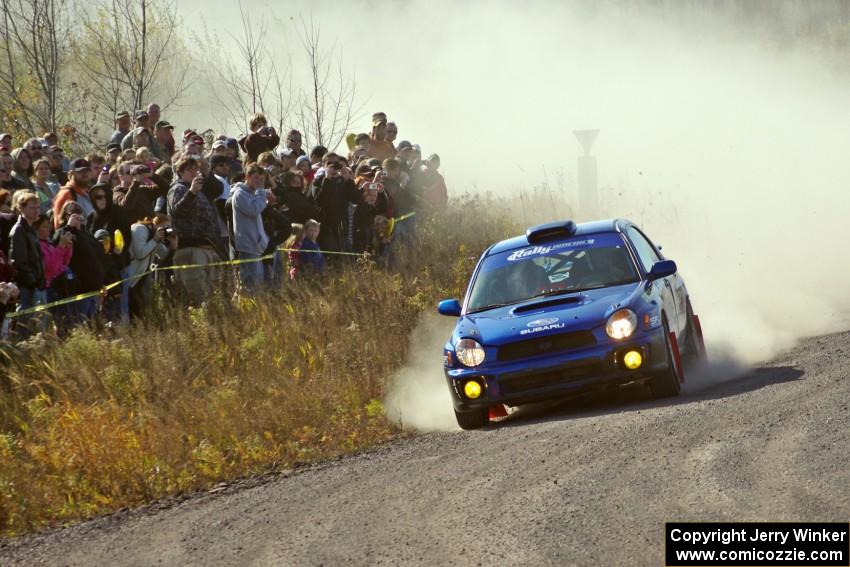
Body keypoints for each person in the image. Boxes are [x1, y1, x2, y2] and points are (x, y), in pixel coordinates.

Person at [167, 156, 225, 303]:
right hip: (190, 249)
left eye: (195, 169)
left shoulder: (199, 190)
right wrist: (191, 192)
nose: (194, 172)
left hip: (207, 247)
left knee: (213, 295)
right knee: (198, 297)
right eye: (189, 169)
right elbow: (176, 211)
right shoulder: (177, 189)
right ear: (180, 172)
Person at [229, 163, 270, 295]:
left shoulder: (254, 194)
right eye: (256, 178)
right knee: (251, 286)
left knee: (258, 284)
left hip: (256, 246)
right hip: (247, 246)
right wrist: (261, 193)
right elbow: (254, 209)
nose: (259, 182)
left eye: (261, 179)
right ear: (247, 176)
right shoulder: (240, 194)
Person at [10, 191, 47, 337]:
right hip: (27, 288)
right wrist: (33, 282)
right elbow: (18, 262)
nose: (37, 210)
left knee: (36, 328)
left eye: (38, 207)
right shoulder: (19, 230)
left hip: (36, 284)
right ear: (22, 209)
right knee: (25, 327)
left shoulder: (30, 229)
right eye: (32, 207)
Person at [128, 216, 173, 318]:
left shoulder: (155, 236)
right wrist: (155, 239)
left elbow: (163, 256)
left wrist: (172, 244)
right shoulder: (140, 229)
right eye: (165, 227)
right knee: (131, 308)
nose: (166, 230)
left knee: (142, 309)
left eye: (168, 228)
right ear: (155, 223)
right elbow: (140, 253)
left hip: (142, 277)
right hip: (131, 276)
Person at [34, 213, 73, 329]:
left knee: (66, 322)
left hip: (60, 286)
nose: (49, 229)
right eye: (45, 226)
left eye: (49, 226)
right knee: (59, 323)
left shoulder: (48, 243)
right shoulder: (39, 246)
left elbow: (64, 263)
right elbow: (51, 268)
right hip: (51, 289)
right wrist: (61, 246)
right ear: (36, 228)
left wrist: (68, 247)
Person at [53, 158, 94, 228]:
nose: (85, 173)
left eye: (87, 170)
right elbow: (58, 224)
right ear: (71, 174)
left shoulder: (87, 192)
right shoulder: (66, 194)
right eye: (80, 171)